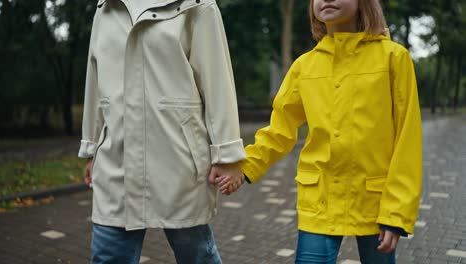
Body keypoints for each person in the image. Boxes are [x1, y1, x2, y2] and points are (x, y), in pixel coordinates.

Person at [211, 0, 422, 263]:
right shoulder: (304, 67)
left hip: (377, 203)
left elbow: (407, 142)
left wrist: (396, 214)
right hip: (319, 199)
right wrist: (242, 166)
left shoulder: (394, 59)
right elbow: (279, 131)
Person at [78, 0, 245, 263]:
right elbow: (95, 80)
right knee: (108, 255)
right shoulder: (106, 9)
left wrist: (229, 156)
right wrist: (92, 147)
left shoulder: (198, 5)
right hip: (115, 159)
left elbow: (217, 82)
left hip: (179, 160)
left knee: (196, 256)